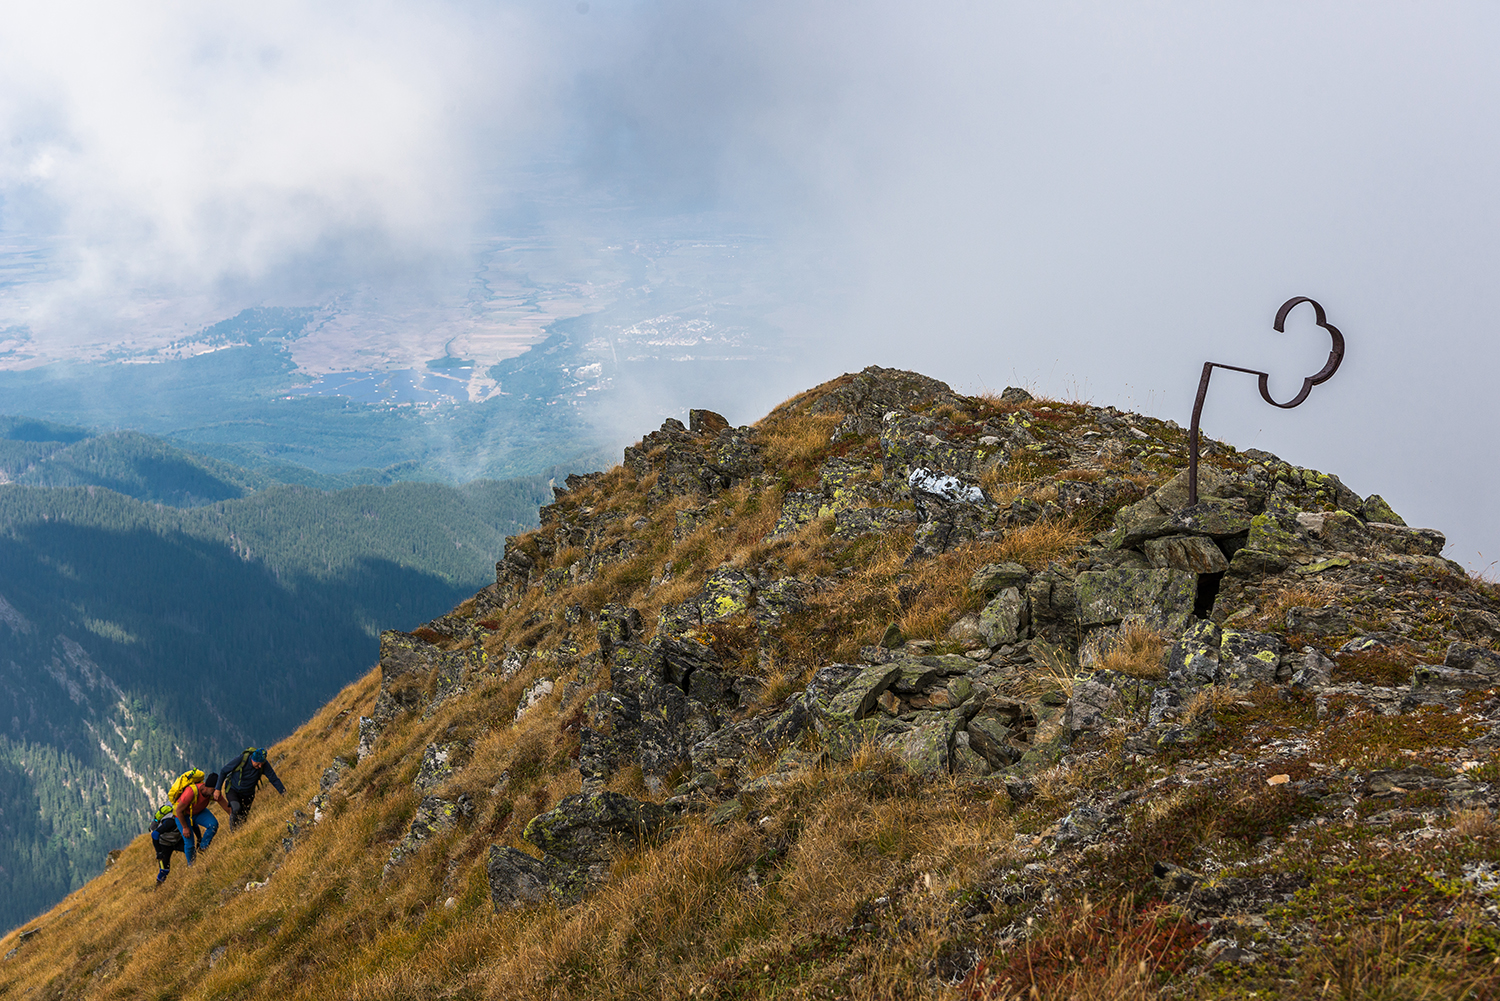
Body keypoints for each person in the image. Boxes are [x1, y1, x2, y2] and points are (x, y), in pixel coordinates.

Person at [220, 747, 286, 829]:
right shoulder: (241, 759)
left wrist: (283, 793)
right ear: (252, 759)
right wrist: (217, 789)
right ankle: (233, 831)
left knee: (243, 816)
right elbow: (223, 771)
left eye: (261, 763)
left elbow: (274, 779)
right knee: (236, 808)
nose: (259, 766)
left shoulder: (263, 765)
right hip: (233, 789)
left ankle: (240, 832)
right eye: (258, 764)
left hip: (248, 793)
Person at [172, 772, 230, 864]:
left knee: (213, 825)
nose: (215, 792)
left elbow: (226, 806)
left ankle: (203, 848)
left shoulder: (213, 792)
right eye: (214, 789)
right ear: (207, 786)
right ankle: (191, 865)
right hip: (183, 815)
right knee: (189, 844)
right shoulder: (191, 792)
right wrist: (185, 827)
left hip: (198, 811)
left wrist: (236, 817)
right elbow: (178, 810)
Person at [150, 805, 192, 886]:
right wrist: (158, 852)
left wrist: (200, 839)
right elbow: (154, 834)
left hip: (177, 840)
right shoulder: (170, 822)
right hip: (164, 844)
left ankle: (194, 871)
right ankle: (158, 889)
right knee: (164, 870)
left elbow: (195, 826)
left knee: (192, 852)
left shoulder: (186, 817)